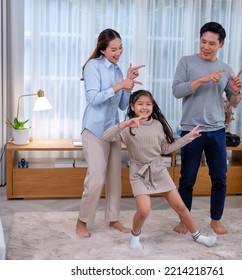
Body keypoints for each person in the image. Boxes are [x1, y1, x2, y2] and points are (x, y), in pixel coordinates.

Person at [103, 90, 217, 249]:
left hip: (158, 169)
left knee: (180, 206)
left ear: (153, 106)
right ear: (132, 106)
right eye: (140, 104)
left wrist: (188, 138)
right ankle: (135, 236)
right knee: (144, 210)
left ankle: (198, 236)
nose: (144, 107)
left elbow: (165, 148)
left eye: (148, 104)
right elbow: (106, 137)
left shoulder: (157, 125)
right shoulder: (128, 127)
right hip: (138, 172)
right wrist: (125, 123)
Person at [172, 22, 242, 235]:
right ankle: (185, 220)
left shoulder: (226, 69)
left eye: (212, 43)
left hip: (217, 130)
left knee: (220, 177)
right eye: (203, 41)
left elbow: (235, 102)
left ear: (221, 44)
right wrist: (201, 80)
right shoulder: (186, 62)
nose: (206, 46)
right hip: (190, 130)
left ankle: (216, 220)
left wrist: (237, 90)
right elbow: (177, 91)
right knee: (187, 178)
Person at [76, 28, 145, 238]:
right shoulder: (92, 66)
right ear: (103, 49)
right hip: (95, 130)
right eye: (114, 49)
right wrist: (119, 85)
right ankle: (82, 221)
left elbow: (124, 106)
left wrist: (128, 85)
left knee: (115, 179)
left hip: (114, 130)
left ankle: (113, 219)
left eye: (120, 48)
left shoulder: (117, 70)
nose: (118, 52)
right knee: (96, 178)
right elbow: (94, 99)